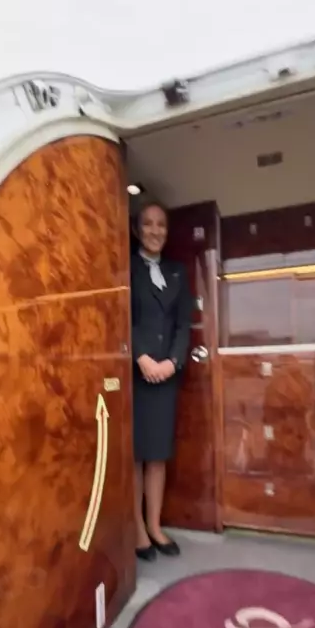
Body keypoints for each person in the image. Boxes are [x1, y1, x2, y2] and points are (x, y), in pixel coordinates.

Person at [131, 200, 193, 561]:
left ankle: (155, 526)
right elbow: (120, 315)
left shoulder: (177, 272)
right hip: (135, 375)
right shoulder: (125, 267)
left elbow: (183, 324)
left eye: (161, 225)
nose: (155, 230)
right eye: (148, 224)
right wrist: (140, 357)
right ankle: (138, 529)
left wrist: (172, 362)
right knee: (136, 455)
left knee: (158, 455)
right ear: (137, 230)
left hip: (166, 375)